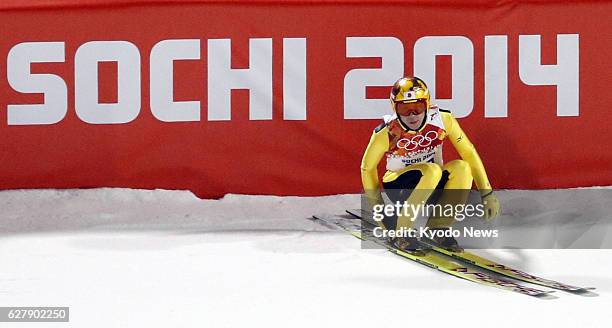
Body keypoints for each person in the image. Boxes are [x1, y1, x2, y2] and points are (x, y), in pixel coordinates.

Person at [360, 76, 500, 253]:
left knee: (462, 168)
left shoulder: (442, 119)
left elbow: (468, 152)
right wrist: (378, 209)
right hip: (399, 185)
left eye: (417, 107)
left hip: (431, 182)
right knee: (433, 170)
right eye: (404, 109)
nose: (412, 115)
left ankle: (437, 228)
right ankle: (401, 232)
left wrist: (487, 193)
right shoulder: (387, 131)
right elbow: (367, 167)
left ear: (427, 104)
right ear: (394, 108)